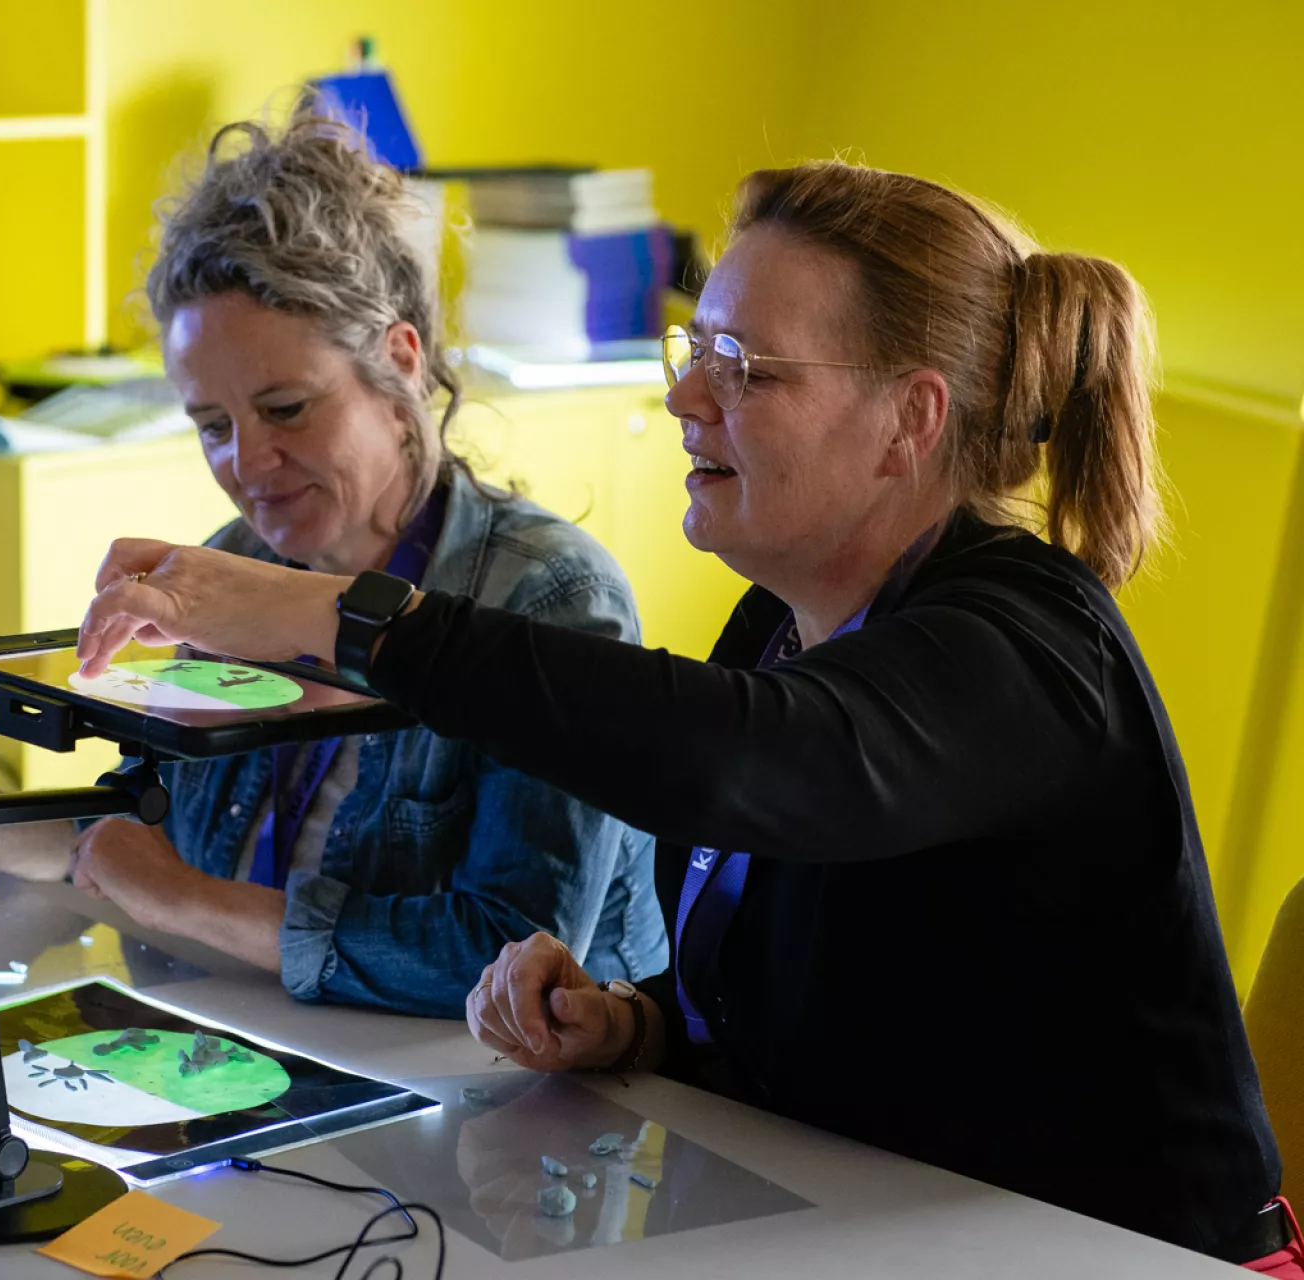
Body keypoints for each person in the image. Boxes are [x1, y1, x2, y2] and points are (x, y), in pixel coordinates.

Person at [71, 161, 1298, 1269]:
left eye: (744, 368)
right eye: (693, 350)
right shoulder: (785, 623)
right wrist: (639, 1026)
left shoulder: (1024, 645)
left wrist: (338, 614)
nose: (685, 401)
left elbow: (753, 761)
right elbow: (858, 1011)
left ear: (911, 421)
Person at [0, 106, 668, 1019]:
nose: (247, 467)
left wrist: (184, 900)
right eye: (213, 426)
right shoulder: (233, 566)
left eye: (286, 409)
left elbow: (511, 956)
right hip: (260, 1044)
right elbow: (148, 843)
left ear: (401, 363)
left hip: (511, 1102)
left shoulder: (550, 599)